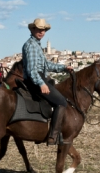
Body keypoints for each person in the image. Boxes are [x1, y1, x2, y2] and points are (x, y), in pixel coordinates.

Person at [22, 18, 73, 146]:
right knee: (61, 102)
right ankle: (53, 136)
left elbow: (46, 65)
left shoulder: (36, 45)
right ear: (32, 29)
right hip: (36, 80)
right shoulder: (31, 46)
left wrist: (63, 68)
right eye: (39, 29)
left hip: (40, 77)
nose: (41, 32)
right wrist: (41, 83)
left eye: (43, 30)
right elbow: (32, 71)